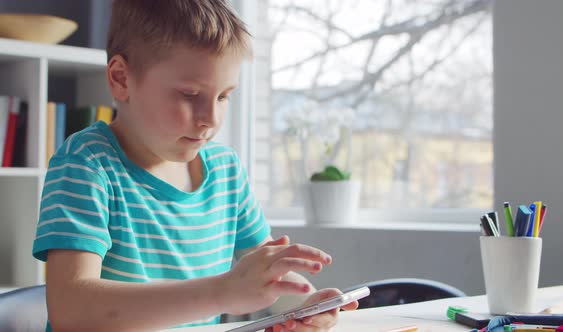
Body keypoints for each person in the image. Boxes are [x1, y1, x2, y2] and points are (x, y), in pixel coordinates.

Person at [32, 0, 357, 331]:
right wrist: (221, 292)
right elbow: (70, 309)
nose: (210, 120)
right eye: (189, 95)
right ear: (121, 79)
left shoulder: (225, 170)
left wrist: (305, 303)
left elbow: (264, 272)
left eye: (223, 96)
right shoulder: (86, 164)